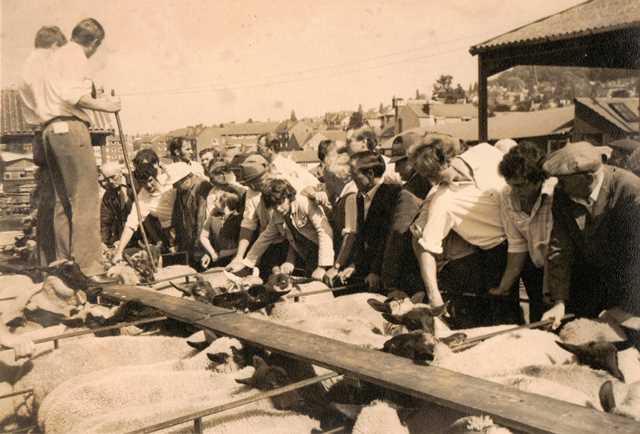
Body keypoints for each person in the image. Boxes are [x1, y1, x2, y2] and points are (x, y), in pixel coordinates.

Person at [22, 18, 121, 278]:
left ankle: (62, 263)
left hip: (49, 130)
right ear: (95, 43)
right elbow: (71, 95)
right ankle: (90, 267)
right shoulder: (75, 55)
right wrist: (107, 106)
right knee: (85, 199)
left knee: (62, 202)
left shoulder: (49, 60)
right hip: (70, 128)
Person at [409, 134, 522, 326]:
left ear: (448, 160)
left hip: (529, 239)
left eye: (434, 175)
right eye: (428, 177)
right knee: (505, 322)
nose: (433, 183)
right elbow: (426, 246)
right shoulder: (442, 199)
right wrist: (434, 294)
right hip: (497, 256)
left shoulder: (487, 153)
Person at [541, 142, 640, 335]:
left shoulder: (630, 190)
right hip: (590, 282)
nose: (558, 186)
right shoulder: (563, 194)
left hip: (629, 283)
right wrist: (559, 301)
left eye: (563, 181)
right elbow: (560, 247)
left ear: (588, 178)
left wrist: (626, 307)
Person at [489, 142, 556, 322]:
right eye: (511, 185)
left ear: (539, 179)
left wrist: (553, 289)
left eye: (520, 185)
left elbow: (562, 247)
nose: (515, 191)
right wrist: (504, 287)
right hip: (536, 268)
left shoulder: (555, 192)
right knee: (537, 322)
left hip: (562, 269)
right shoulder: (507, 195)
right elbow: (517, 244)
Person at [18, 26, 67, 268]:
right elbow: (51, 103)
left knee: (48, 201)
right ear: (55, 47)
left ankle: (47, 263)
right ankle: (61, 262)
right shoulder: (41, 67)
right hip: (51, 131)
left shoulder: (29, 65)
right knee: (61, 200)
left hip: (40, 135)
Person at [326, 151, 401, 291]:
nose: (351, 179)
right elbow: (362, 237)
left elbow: (386, 239)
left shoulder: (391, 195)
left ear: (370, 173)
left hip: (385, 272)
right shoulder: (360, 198)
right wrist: (354, 265)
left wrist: (375, 272)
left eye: (354, 175)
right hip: (368, 271)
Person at [240, 179, 334, 280]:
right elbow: (264, 239)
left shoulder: (303, 203)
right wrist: (246, 264)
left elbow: (324, 232)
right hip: (309, 256)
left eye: (280, 203)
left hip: (329, 252)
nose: (278, 208)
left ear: (288, 196)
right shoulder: (278, 215)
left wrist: (322, 267)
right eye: (274, 206)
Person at [381, 132, 433, 294]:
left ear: (413, 159)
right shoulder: (434, 183)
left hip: (412, 277)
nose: (396, 168)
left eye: (400, 162)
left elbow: (398, 236)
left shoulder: (409, 193)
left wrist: (389, 282)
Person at [112, 161, 188, 262]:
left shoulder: (170, 181)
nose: (148, 185)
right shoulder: (143, 197)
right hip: (170, 234)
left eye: (150, 180)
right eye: (143, 183)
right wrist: (119, 252)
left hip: (187, 224)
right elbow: (131, 224)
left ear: (156, 176)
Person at [227, 154, 288, 276]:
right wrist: (239, 256)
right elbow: (248, 225)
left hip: (290, 243)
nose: (253, 187)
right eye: (249, 184)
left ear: (267, 173)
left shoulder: (284, 184)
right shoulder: (252, 192)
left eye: (256, 182)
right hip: (268, 242)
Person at [99, 162, 133, 248]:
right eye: (107, 179)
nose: (110, 181)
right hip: (124, 236)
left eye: (113, 177)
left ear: (121, 172)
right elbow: (105, 221)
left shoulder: (134, 184)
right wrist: (103, 241)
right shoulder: (108, 195)